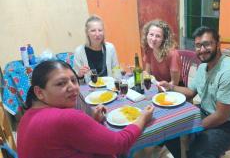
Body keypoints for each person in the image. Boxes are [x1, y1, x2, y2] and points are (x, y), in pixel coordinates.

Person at [17, 60, 154, 158]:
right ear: (39, 92)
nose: (72, 87)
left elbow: (64, 140)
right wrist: (143, 117)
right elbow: (120, 143)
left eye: (73, 80)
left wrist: (91, 121)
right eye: (61, 83)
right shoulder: (66, 117)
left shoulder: (27, 116)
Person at [159, 26, 230, 158]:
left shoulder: (229, 73)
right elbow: (190, 92)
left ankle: (191, 153)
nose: (201, 50)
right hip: (205, 112)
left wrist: (193, 128)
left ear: (218, 44)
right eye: (198, 45)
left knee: (198, 153)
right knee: (168, 129)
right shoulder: (202, 67)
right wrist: (170, 86)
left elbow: (221, 116)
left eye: (207, 44)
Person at [74, 15, 119, 83]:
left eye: (100, 30)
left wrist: (117, 86)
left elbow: (116, 71)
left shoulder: (110, 48)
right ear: (87, 33)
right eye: (93, 30)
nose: (97, 34)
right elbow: (78, 83)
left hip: (109, 88)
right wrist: (80, 75)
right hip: (90, 90)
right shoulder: (79, 52)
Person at [141, 19, 182, 86]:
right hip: (157, 86)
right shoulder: (149, 49)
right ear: (147, 35)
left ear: (164, 39)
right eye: (151, 34)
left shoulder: (173, 54)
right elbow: (147, 73)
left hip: (173, 89)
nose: (153, 39)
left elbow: (174, 83)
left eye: (158, 36)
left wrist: (161, 88)